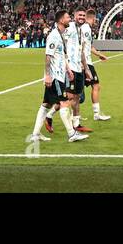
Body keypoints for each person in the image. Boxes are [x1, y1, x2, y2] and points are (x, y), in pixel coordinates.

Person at [27, 10, 86, 144]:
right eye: (67, 17)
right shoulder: (54, 36)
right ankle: (72, 134)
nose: (69, 19)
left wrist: (67, 69)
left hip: (60, 74)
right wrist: (47, 75)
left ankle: (35, 134)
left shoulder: (61, 35)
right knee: (64, 103)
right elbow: (48, 56)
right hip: (55, 77)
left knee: (46, 105)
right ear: (60, 20)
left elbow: (60, 55)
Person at [79, 11, 112, 123]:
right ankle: (96, 114)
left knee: (78, 93)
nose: (95, 22)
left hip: (83, 62)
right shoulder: (86, 29)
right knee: (95, 86)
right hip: (85, 63)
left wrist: (100, 55)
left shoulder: (83, 28)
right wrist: (84, 65)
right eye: (95, 20)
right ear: (92, 19)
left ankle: (75, 115)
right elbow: (83, 47)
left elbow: (90, 47)